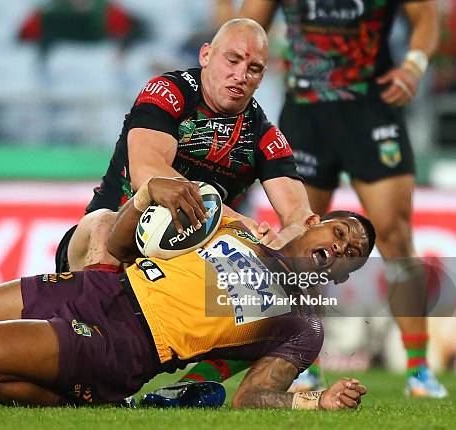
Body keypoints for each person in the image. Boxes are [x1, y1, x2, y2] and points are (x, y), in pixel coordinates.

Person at [0, 177, 373, 409]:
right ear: (316, 223)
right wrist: (147, 197)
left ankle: (95, 399)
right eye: (341, 232)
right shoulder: (232, 228)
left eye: (352, 255)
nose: (341, 246)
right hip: (103, 285)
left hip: (129, 343)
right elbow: (124, 245)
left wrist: (316, 403)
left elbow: (252, 396)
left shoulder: (302, 323)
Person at [146, 0, 447, 401]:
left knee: (394, 234)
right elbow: (245, 24)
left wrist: (414, 65)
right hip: (306, 113)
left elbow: (425, 14)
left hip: (372, 107)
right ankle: (304, 366)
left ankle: (418, 370)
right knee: (303, 241)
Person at [58, 18, 317, 275]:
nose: (240, 76)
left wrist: (281, 243)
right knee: (105, 223)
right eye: (233, 60)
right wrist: (238, 224)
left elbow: (300, 216)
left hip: (183, 263)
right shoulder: (168, 91)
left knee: (254, 275)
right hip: (108, 240)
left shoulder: (264, 136)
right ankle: (91, 310)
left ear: (261, 78)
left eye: (254, 68)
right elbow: (147, 175)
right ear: (206, 55)